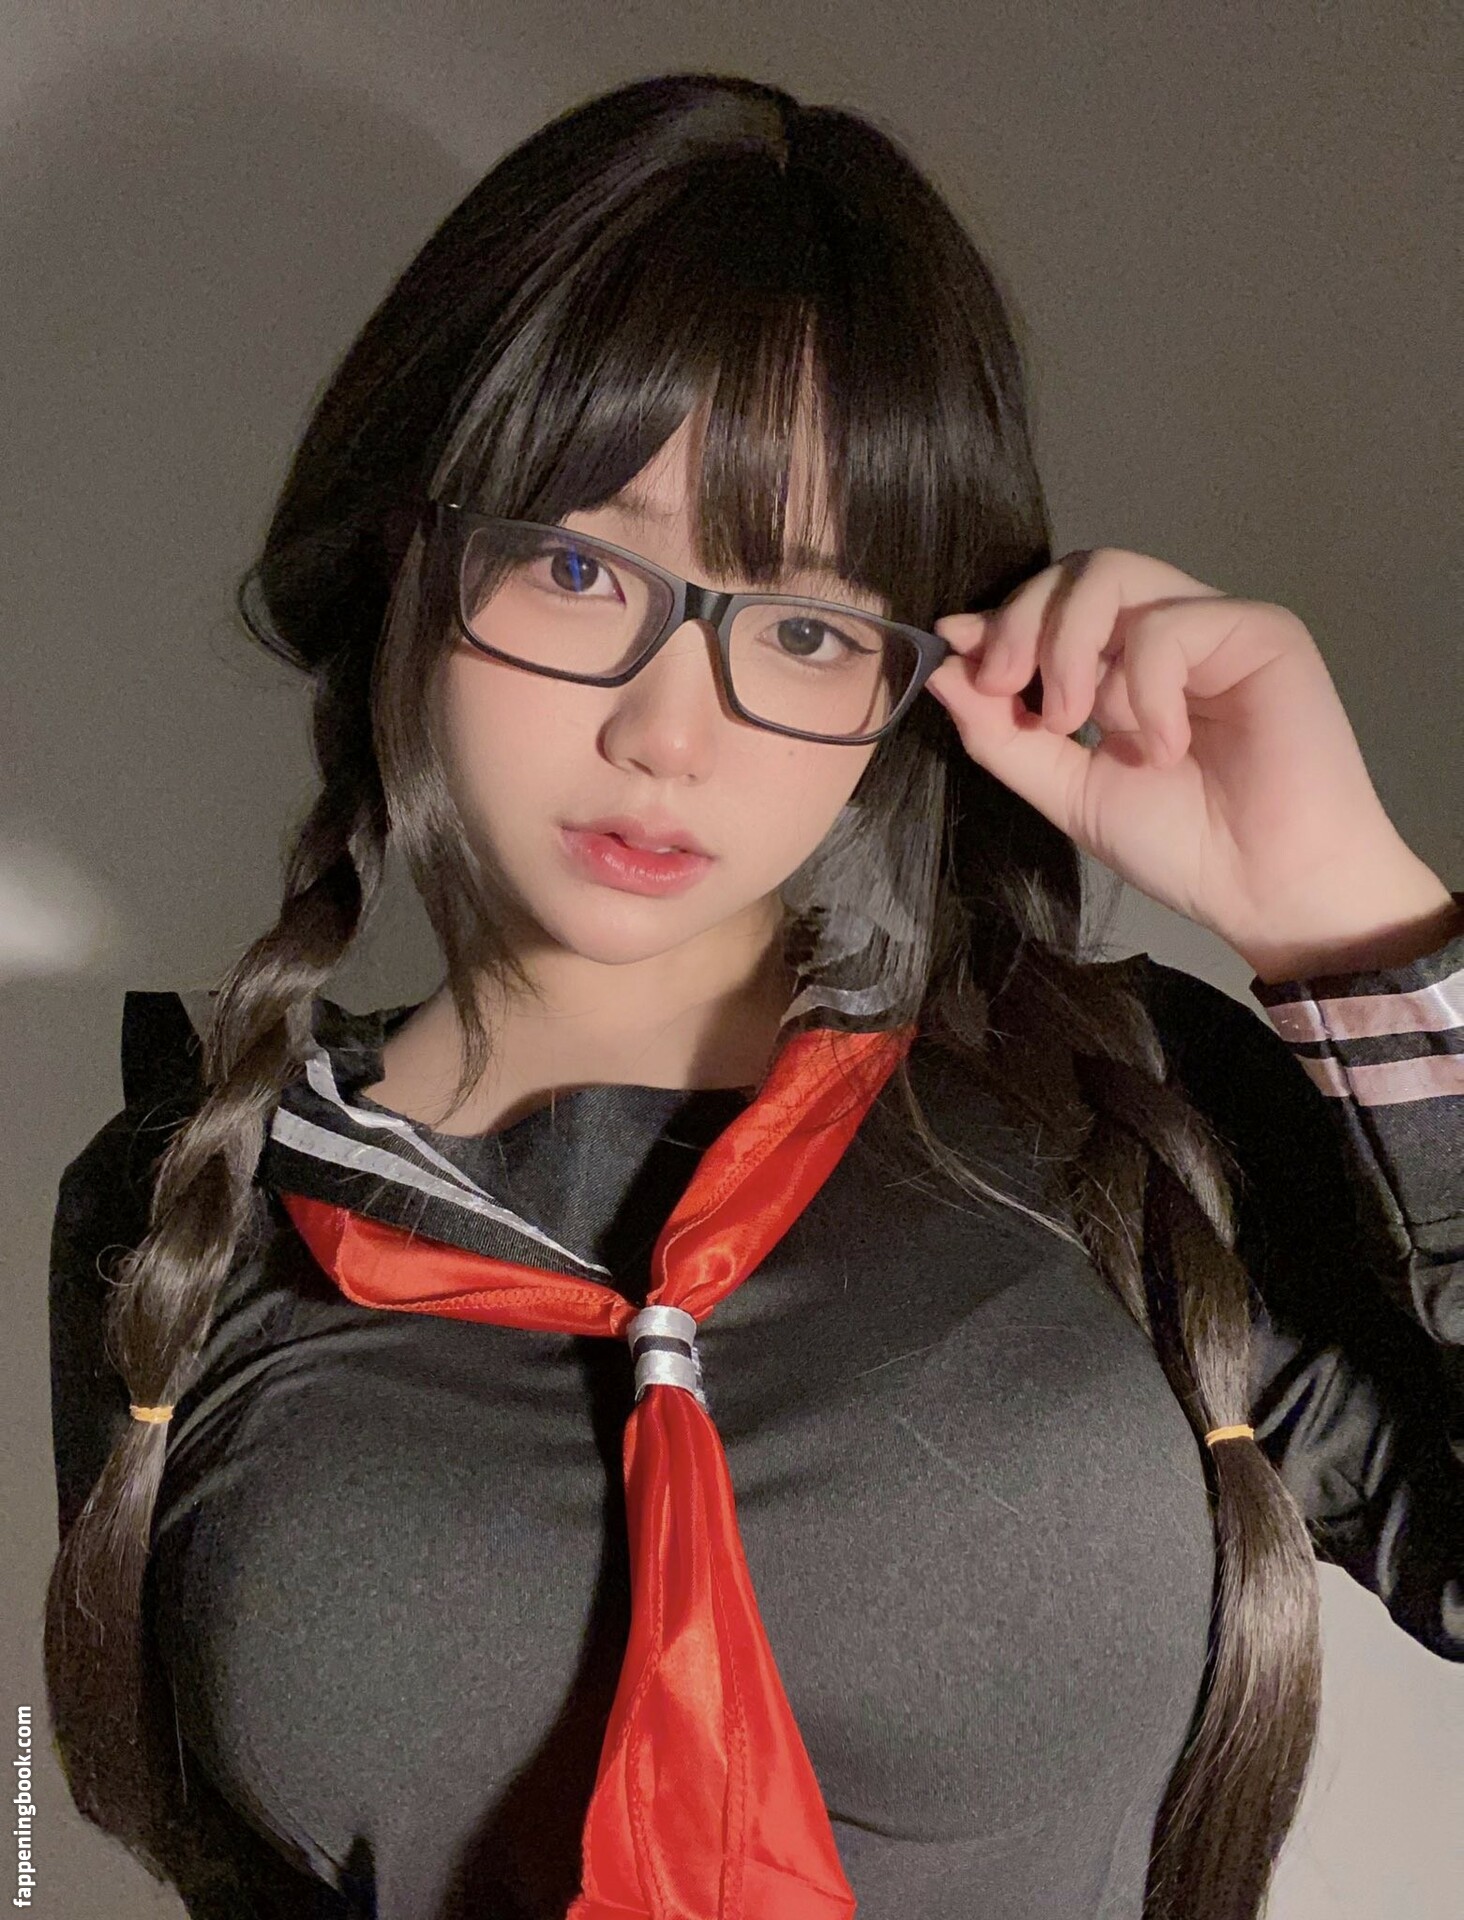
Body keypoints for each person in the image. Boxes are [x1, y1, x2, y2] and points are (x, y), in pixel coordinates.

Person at [44, 70, 1461, 1920]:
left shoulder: (1122, 1119)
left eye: (801, 625)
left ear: (907, 678)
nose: (670, 732)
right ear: (411, 557)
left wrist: (1356, 919)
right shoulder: (185, 1209)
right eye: (577, 567)